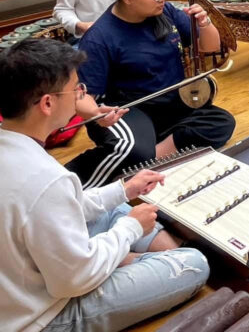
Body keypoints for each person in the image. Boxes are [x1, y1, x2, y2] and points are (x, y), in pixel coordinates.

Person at [0, 37, 209, 332]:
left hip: (23, 280)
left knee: (117, 205)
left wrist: (124, 188)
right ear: (47, 103)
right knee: (194, 263)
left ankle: (126, 257)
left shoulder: (13, 144)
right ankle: (133, 258)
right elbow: (72, 281)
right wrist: (131, 229)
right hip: (43, 316)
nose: (80, 96)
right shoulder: (45, 179)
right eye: (75, 89)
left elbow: (55, 208)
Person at [65, 0, 234, 188]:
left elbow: (210, 47)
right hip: (126, 111)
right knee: (132, 148)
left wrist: (204, 23)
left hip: (170, 106)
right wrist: (96, 113)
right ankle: (69, 182)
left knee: (221, 122)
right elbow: (80, 95)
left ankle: (147, 162)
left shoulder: (167, 13)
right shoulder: (99, 37)